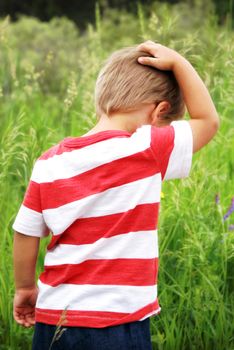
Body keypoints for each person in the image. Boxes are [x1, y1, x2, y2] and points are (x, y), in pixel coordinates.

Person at [12, 40, 219, 350]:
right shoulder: (147, 148)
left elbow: (26, 231)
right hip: (117, 323)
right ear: (159, 112)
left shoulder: (48, 162)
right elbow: (208, 121)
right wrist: (178, 62)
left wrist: (25, 287)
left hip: (54, 320)